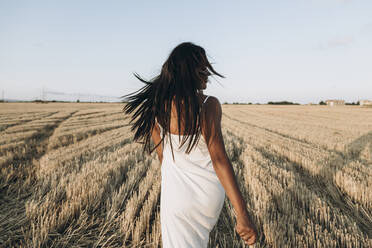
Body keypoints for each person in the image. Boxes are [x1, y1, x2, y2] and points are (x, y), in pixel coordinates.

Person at [122, 42, 257, 247]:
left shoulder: (156, 107)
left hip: (178, 198)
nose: (208, 73)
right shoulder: (208, 105)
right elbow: (219, 160)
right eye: (203, 68)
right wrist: (242, 214)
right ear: (188, 71)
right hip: (208, 199)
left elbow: (163, 157)